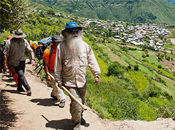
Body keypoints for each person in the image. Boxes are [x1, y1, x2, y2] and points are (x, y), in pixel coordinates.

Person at [54, 22, 101, 130]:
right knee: (76, 102)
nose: (74, 33)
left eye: (76, 31)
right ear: (66, 33)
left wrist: (96, 74)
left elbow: (92, 61)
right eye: (71, 31)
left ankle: (79, 116)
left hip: (81, 80)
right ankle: (76, 123)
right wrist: (58, 80)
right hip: (68, 81)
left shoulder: (85, 46)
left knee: (81, 101)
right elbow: (58, 65)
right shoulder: (61, 47)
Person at [3, 29, 35, 96]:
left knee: (21, 74)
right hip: (13, 61)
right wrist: (5, 64)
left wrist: (33, 59)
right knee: (21, 74)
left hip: (22, 60)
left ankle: (19, 87)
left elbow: (30, 50)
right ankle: (28, 88)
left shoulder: (24, 41)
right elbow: (5, 54)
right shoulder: (9, 42)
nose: (19, 38)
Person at [43, 35, 66, 108]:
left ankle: (53, 94)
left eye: (60, 42)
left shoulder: (61, 50)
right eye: (57, 42)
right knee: (56, 85)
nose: (59, 44)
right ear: (53, 42)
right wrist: (47, 74)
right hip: (51, 71)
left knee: (57, 85)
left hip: (59, 70)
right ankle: (62, 99)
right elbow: (45, 64)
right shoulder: (47, 52)